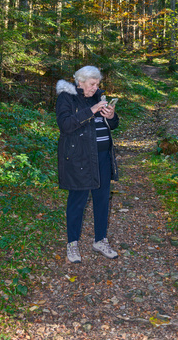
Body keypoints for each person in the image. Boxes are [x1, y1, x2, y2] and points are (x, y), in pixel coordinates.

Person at [56, 65, 119, 263]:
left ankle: (100, 240)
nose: (95, 87)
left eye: (97, 84)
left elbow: (112, 125)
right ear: (80, 81)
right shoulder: (66, 97)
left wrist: (111, 117)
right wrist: (91, 110)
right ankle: (72, 244)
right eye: (92, 84)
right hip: (79, 158)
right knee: (77, 202)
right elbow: (65, 125)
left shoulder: (98, 97)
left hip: (102, 157)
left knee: (102, 201)